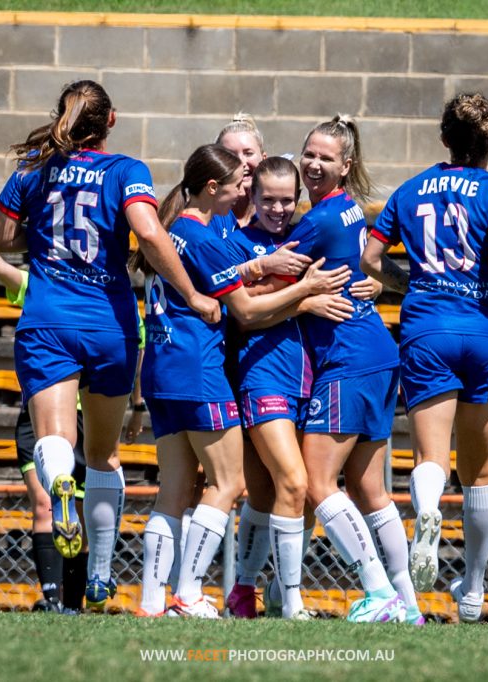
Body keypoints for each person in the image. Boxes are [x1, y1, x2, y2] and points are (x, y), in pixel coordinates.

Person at [0, 80, 219, 614]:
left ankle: (58, 484)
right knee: (104, 455)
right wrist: (191, 292)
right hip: (110, 326)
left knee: (55, 441)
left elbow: (1, 237)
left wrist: (46, 236)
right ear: (110, 120)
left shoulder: (32, 167)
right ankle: (98, 574)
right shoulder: (126, 171)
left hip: (47, 319)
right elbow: (149, 234)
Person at [362, 93, 488, 623]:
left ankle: (427, 511)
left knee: (432, 458)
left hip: (426, 327)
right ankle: (472, 590)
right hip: (484, 329)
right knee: (481, 471)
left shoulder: (411, 189)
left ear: (444, 138)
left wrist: (405, 283)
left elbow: (370, 258)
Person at [135, 144, 349, 618]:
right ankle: (188, 595)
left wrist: (260, 267)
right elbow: (247, 311)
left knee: (172, 492)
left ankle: (151, 603)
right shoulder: (205, 236)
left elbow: (233, 276)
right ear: (214, 188)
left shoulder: (180, 232)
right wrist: (307, 291)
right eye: (239, 184)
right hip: (200, 370)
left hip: (161, 373)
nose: (244, 192)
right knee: (227, 483)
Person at [0, 209, 138, 613]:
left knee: (52, 502)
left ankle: (69, 601)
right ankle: (63, 596)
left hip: (51, 415)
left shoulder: (52, 295)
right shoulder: (111, 308)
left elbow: (5, 266)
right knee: (72, 493)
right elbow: (135, 353)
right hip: (75, 412)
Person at [282, 115, 418, 624]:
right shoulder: (349, 210)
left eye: (325, 157)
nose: (313, 164)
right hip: (378, 355)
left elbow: (270, 278)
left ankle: (379, 593)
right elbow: (371, 267)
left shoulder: (316, 220)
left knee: (318, 485)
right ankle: (407, 604)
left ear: (347, 165)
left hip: (349, 359)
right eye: (308, 154)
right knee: (370, 490)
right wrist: (381, 285)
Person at [226, 157, 356, 619]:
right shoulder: (239, 244)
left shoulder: (303, 240)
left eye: (286, 200)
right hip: (261, 376)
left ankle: (248, 592)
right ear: (252, 198)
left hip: (307, 382)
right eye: (268, 200)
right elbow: (243, 311)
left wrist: (370, 287)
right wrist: (304, 296)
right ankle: (292, 603)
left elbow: (350, 271)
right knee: (296, 483)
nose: (277, 209)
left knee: (274, 497)